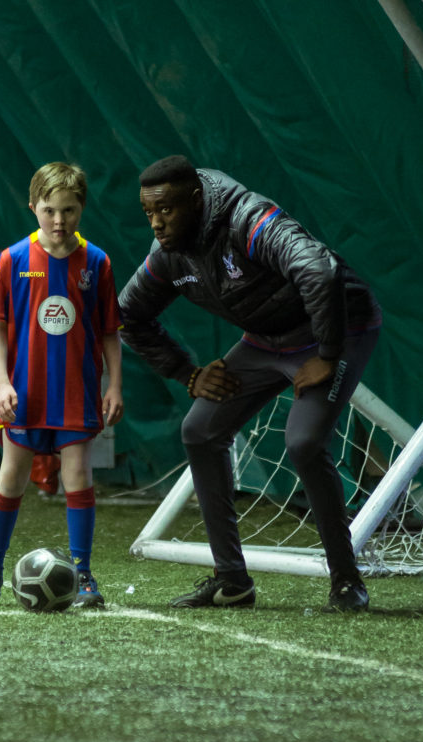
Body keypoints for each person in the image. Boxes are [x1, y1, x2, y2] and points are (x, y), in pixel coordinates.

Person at [118, 155, 382, 613]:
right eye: (148, 213)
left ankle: (346, 581)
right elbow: (126, 314)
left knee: (302, 441)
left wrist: (327, 354)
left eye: (167, 210)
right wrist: (188, 373)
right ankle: (232, 582)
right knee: (199, 431)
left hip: (339, 326)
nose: (157, 223)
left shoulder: (249, 219)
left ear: (196, 200)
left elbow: (318, 269)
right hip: (265, 342)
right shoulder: (169, 255)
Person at [0, 162, 124, 608]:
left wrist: (114, 386)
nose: (58, 221)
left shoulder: (97, 262)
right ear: (33, 207)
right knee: (11, 476)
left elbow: (109, 331)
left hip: (76, 391)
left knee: (77, 476)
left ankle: (84, 574)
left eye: (69, 210)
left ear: (81, 208)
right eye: (49, 210)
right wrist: (2, 384)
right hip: (25, 393)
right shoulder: (12, 259)